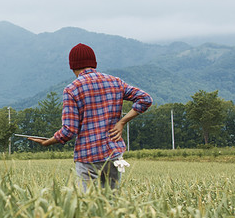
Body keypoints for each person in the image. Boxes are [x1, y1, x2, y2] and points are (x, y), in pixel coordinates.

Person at [28, 43, 152, 190]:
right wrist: (122, 122)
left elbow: (69, 130)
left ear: (72, 66)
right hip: (113, 154)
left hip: (87, 156)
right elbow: (145, 99)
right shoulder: (115, 82)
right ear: (94, 63)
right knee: (111, 203)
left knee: (86, 204)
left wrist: (48, 142)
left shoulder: (72, 89)